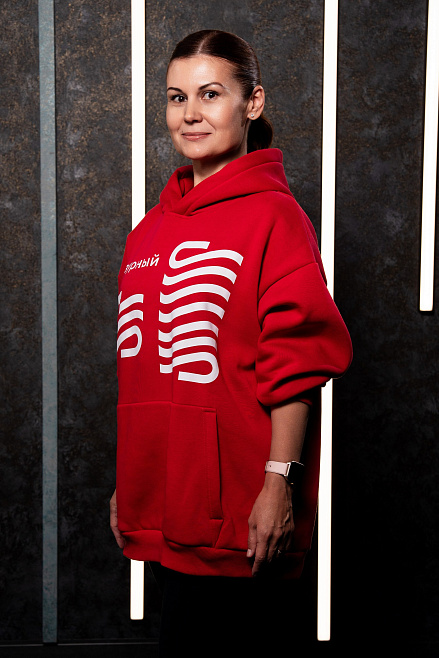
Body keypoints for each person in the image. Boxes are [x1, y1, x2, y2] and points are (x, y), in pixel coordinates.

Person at [110, 29, 352, 655]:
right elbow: (145, 370)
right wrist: (133, 480)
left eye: (211, 94)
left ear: (253, 103)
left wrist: (279, 483)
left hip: (242, 513)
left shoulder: (276, 217)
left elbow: (298, 362)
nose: (190, 113)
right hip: (167, 507)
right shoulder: (148, 233)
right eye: (177, 97)